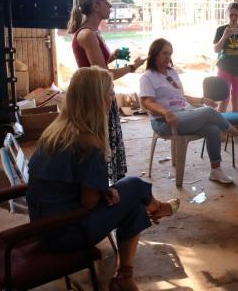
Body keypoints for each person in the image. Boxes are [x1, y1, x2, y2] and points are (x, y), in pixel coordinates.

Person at [27, 67, 179, 291]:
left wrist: (104, 191)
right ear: (96, 100)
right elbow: (88, 203)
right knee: (134, 186)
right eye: (109, 94)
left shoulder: (57, 130)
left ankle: (124, 277)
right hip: (68, 232)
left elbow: (70, 185)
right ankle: (157, 207)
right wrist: (104, 193)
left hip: (44, 227)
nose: (112, 99)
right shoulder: (88, 143)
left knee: (134, 205)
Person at [140, 38, 238, 185]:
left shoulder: (171, 73)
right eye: (164, 53)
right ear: (154, 54)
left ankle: (216, 170)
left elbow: (181, 97)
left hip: (183, 114)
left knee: (213, 129)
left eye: (170, 54)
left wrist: (202, 100)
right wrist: (166, 112)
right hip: (164, 121)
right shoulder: (147, 77)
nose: (168, 57)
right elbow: (147, 102)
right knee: (208, 112)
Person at [67, 0, 145, 183]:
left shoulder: (92, 33)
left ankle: (106, 189)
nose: (110, 5)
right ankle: (103, 191)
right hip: (95, 99)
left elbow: (98, 66)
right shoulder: (88, 35)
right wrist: (132, 67)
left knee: (104, 146)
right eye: (106, 1)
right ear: (95, 6)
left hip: (98, 95)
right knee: (100, 149)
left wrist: (113, 56)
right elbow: (105, 75)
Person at [212, 2, 238, 112]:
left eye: (236, 15)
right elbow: (216, 49)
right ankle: (221, 127)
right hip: (224, 67)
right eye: (231, 15)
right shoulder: (221, 30)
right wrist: (224, 37)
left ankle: (235, 127)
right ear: (227, 14)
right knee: (224, 99)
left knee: (236, 98)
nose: (234, 18)